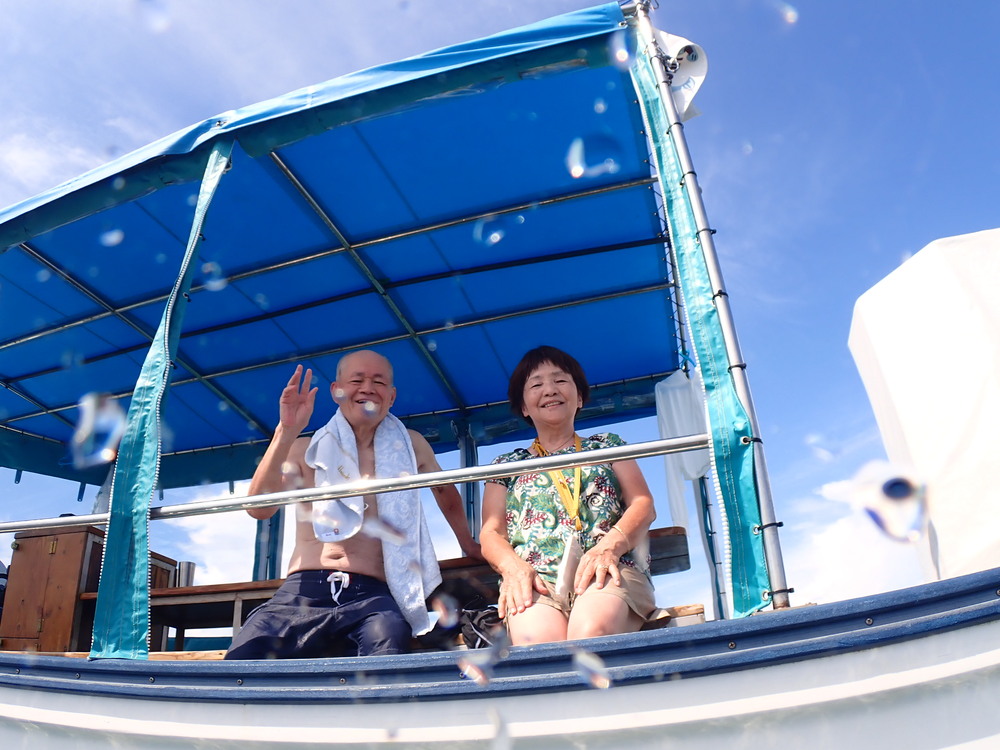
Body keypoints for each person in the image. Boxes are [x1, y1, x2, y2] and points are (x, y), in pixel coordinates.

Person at [225, 350, 481, 660]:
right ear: (336, 391)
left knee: (387, 650)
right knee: (243, 657)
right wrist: (286, 430)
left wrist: (468, 542)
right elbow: (259, 508)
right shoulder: (304, 448)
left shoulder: (411, 445)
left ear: (391, 396)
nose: (368, 388)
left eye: (379, 382)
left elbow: (445, 491)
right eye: (357, 380)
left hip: (372, 594)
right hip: (303, 589)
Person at [479, 345, 657, 646]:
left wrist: (608, 549)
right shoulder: (505, 465)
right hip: (536, 579)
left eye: (560, 380)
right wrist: (513, 568)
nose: (549, 390)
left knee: (589, 633)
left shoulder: (607, 445)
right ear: (524, 406)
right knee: (539, 645)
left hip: (609, 568)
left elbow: (643, 503)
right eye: (536, 384)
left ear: (580, 397)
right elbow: (491, 532)